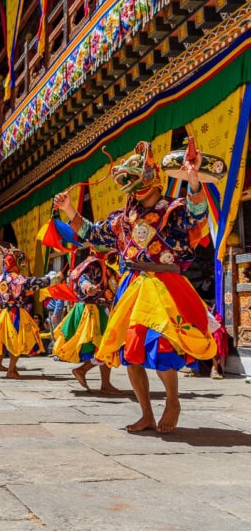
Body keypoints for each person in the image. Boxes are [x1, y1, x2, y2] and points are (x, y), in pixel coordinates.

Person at [54, 140, 217, 433]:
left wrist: (192, 179)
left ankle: (173, 400)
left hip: (164, 284)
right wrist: (68, 209)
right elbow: (92, 233)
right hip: (132, 285)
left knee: (161, 345)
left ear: (153, 177)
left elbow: (198, 215)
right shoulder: (122, 219)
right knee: (131, 352)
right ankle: (146, 413)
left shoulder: (174, 209)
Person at [51, 251, 122, 394]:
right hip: (95, 310)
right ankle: (83, 370)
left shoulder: (110, 267)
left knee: (104, 346)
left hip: (102, 309)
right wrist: (88, 287)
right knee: (104, 346)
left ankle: (104, 383)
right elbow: (83, 278)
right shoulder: (93, 264)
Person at [0, 247, 61, 378]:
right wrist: (53, 278)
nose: (22, 266)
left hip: (1, 313)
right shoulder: (16, 279)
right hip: (14, 313)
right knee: (17, 339)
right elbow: (33, 283)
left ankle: (12, 369)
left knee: (8, 340)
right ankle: (10, 370)